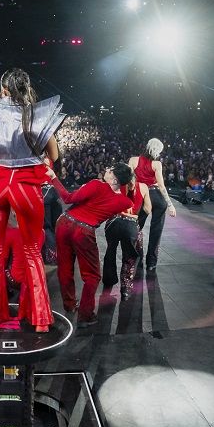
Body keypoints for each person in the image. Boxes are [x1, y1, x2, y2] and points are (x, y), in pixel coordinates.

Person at [0, 67, 64, 332]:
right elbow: (53, 154)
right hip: (26, 187)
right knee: (31, 252)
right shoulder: (37, 118)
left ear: (3, 90)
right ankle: (39, 319)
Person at [47, 163, 134, 326]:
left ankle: (70, 305)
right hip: (84, 232)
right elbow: (125, 197)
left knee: (65, 268)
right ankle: (85, 315)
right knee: (92, 276)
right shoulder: (124, 203)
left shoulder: (95, 184)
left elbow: (67, 198)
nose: (105, 169)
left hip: (65, 223)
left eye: (109, 170)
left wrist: (53, 178)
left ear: (114, 179)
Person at [103, 171, 152, 300]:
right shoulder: (143, 187)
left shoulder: (116, 185)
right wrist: (137, 221)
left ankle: (108, 281)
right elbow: (148, 209)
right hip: (130, 225)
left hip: (113, 223)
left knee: (110, 251)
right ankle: (125, 288)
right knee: (130, 256)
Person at [129, 138, 176, 271]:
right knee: (156, 231)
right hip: (157, 197)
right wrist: (170, 204)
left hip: (142, 195)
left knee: (137, 227)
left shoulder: (133, 160)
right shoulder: (157, 164)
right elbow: (161, 185)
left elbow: (129, 181)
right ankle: (151, 262)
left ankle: (137, 259)